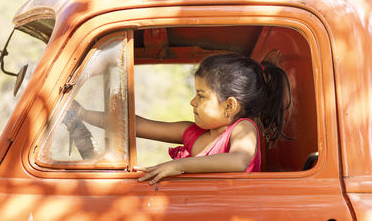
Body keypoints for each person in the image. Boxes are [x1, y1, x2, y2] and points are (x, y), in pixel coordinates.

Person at [70, 53, 291, 185]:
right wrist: (83, 114)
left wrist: (179, 165)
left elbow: (239, 161)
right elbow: (134, 124)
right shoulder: (191, 132)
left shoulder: (243, 128)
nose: (192, 102)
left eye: (201, 95)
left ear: (229, 105)